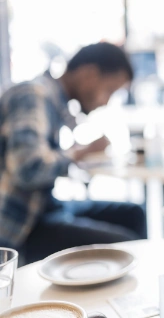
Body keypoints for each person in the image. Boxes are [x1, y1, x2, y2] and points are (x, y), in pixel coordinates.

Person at [0, 42, 147, 264]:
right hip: (21, 225)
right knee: (123, 243)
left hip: (45, 206)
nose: (105, 101)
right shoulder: (33, 95)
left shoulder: (53, 99)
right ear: (89, 74)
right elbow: (28, 168)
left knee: (133, 214)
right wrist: (80, 153)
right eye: (108, 91)